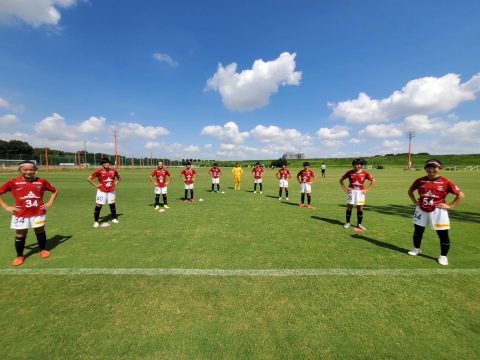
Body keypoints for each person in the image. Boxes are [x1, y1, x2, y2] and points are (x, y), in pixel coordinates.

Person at [0, 161, 58, 266]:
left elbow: (54, 191)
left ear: (35, 170)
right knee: (20, 234)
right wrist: (6, 206)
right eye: (25, 169)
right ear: (19, 170)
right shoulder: (13, 182)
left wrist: (49, 202)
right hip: (20, 213)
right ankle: (19, 256)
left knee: (40, 231)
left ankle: (42, 250)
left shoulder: (41, 181)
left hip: (38, 212)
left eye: (31, 169)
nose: (28, 172)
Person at [407, 159, 464, 266]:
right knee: (418, 231)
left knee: (443, 234)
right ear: (425, 168)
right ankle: (416, 249)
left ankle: (443, 256)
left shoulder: (446, 181)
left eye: (434, 167)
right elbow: (410, 191)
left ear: (439, 169)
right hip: (421, 209)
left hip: (438, 211)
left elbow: (460, 195)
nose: (431, 169)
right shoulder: (419, 180)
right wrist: (415, 201)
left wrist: (450, 205)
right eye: (428, 167)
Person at [339, 158, 376, 231]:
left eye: (360, 164)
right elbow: (341, 180)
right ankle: (347, 223)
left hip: (361, 192)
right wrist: (345, 189)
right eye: (357, 164)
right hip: (351, 192)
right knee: (349, 207)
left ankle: (359, 224)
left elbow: (373, 180)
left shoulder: (365, 173)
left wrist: (367, 189)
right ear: (353, 165)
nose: (359, 166)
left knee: (360, 208)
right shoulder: (349, 172)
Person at [87, 158, 121, 228]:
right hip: (101, 191)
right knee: (98, 205)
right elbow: (88, 178)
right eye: (105, 163)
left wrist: (115, 183)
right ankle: (96, 221)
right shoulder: (99, 171)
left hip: (111, 191)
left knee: (112, 204)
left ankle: (114, 218)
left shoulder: (113, 171)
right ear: (102, 164)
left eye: (108, 162)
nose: (106, 164)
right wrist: (96, 185)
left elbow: (119, 178)